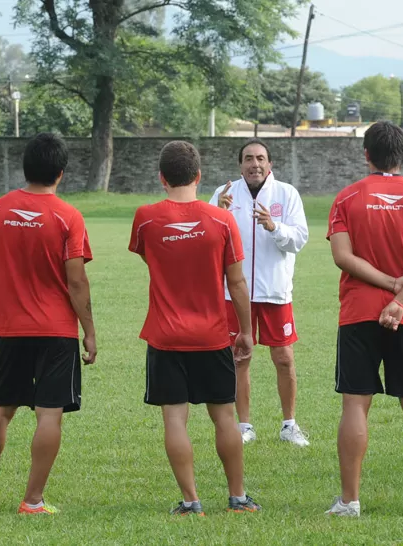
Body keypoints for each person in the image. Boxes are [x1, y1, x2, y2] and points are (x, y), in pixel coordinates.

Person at [130, 140, 260, 516]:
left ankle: (191, 501)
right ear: (199, 176)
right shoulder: (222, 220)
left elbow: (148, 255)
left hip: (166, 336)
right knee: (225, 416)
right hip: (212, 335)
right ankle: (237, 498)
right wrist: (247, 331)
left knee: (175, 416)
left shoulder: (146, 217)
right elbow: (236, 282)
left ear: (161, 178)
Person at [0, 133, 97, 515]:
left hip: (9, 329)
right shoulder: (68, 216)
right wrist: (89, 331)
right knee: (49, 413)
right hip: (56, 331)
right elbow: (76, 281)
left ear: (25, 167)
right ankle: (33, 500)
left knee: (0, 409)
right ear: (61, 173)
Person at [325, 121, 403, 518]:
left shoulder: (347, 197)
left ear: (366, 155)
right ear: (402, 155)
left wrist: (388, 286)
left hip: (359, 312)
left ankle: (350, 501)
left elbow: (343, 257)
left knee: (355, 407)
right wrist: (402, 296)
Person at [211, 139, 309, 447]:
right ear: (240, 165)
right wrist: (218, 214)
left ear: (270, 164)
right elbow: (209, 241)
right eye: (249, 159)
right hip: (234, 293)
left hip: (275, 290)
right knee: (240, 357)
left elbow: (299, 239)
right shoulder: (224, 194)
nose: (255, 164)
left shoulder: (286, 194)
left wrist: (273, 226)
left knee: (283, 358)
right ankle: (244, 426)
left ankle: (289, 425)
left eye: (261, 158)